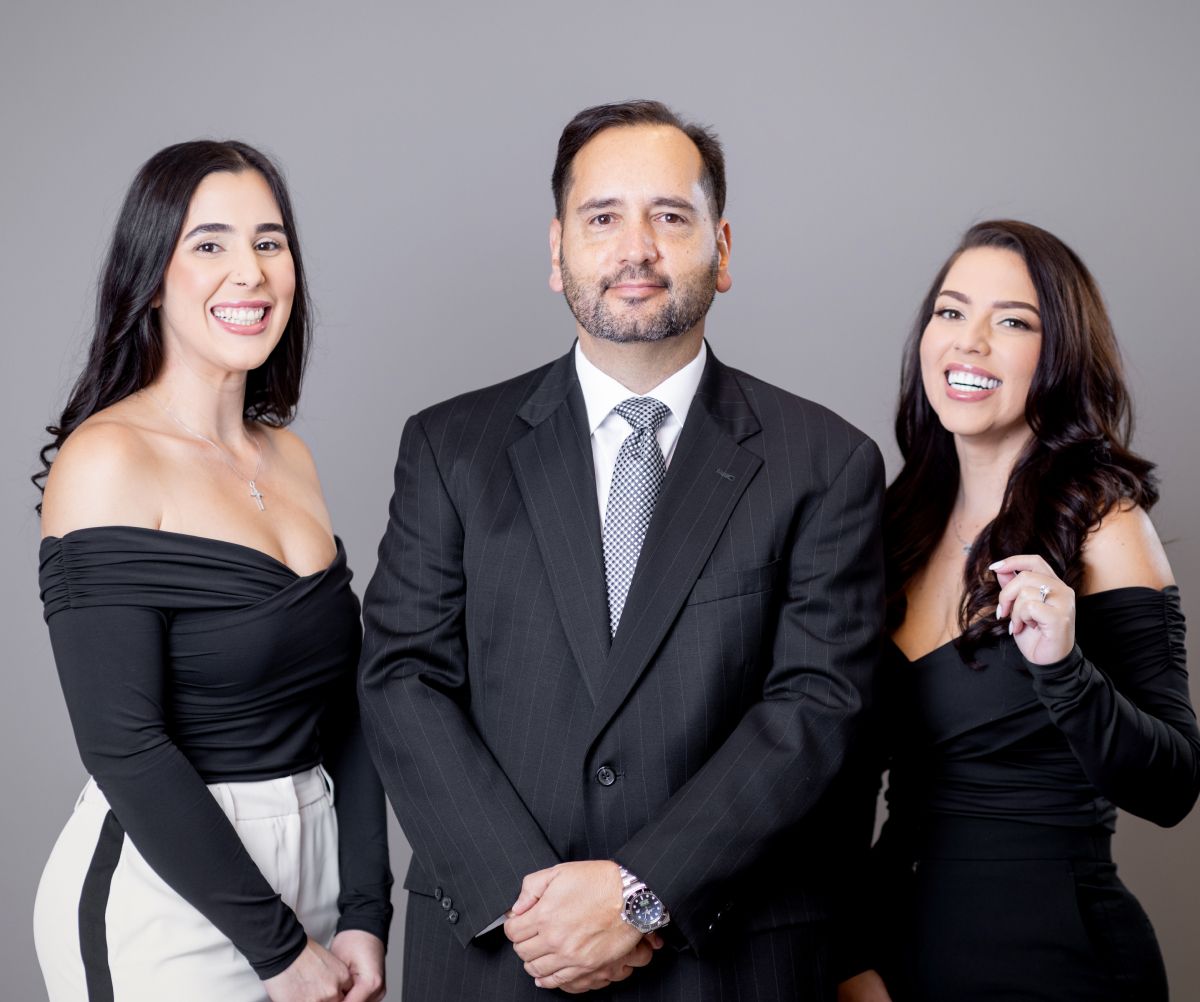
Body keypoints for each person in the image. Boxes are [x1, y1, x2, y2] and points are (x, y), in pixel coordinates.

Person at [358, 99, 886, 1000]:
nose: (635, 247)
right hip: (500, 954)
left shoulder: (825, 462)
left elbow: (818, 708)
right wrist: (536, 904)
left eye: (669, 217)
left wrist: (640, 895)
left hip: (727, 959)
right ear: (557, 250)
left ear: (722, 251)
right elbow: (403, 676)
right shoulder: (451, 448)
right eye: (602, 218)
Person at [34, 141, 392, 1002]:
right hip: (167, 894)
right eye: (210, 244)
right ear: (151, 277)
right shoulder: (109, 460)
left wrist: (363, 913)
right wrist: (279, 952)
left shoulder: (290, 457)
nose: (251, 273)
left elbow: (346, 708)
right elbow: (124, 744)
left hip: (310, 869)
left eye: (270, 243)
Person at [837, 220, 1200, 1002]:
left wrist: (1063, 669)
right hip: (893, 966)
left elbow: (1173, 785)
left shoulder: (1105, 524)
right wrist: (851, 958)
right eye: (950, 312)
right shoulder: (890, 526)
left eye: (1012, 322)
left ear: (1060, 356)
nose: (970, 343)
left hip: (1059, 962)